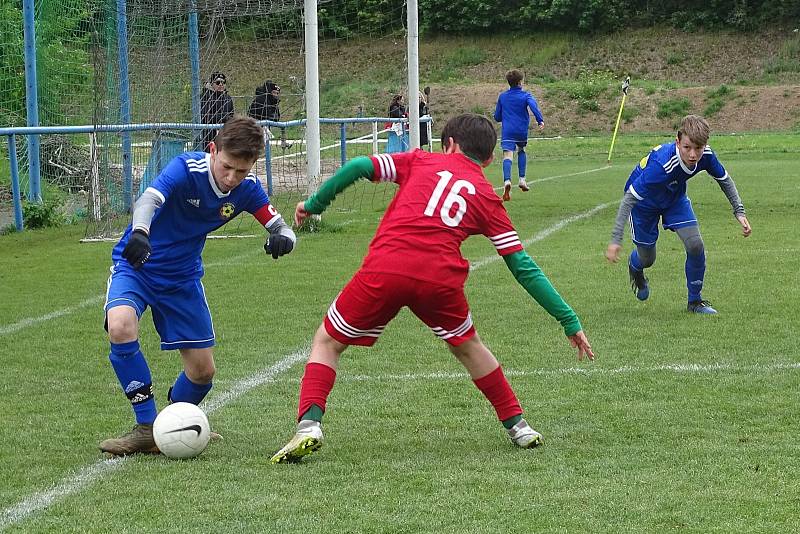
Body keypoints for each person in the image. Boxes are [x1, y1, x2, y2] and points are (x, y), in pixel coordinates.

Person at [270, 113, 593, 464]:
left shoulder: (423, 160)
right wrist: (569, 320)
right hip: (440, 279)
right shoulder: (486, 194)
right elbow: (522, 266)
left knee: (328, 341)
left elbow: (361, 164)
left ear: (449, 145)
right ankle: (519, 427)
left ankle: (309, 426)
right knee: (469, 346)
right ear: (487, 160)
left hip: (387, 267)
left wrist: (313, 204)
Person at [100, 115, 297, 456]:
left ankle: (177, 419)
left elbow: (282, 227)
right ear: (212, 150)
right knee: (120, 326)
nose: (232, 177)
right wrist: (140, 233)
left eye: (242, 171)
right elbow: (149, 200)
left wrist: (283, 239)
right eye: (226, 167)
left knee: (203, 373)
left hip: (182, 278)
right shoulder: (185, 168)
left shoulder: (246, 191)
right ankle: (146, 427)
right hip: (138, 264)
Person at [605, 114, 752, 314]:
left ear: (705, 145)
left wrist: (739, 211)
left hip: (674, 198)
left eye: (698, 148)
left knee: (695, 244)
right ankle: (635, 267)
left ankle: (695, 302)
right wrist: (615, 239)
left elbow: (724, 179)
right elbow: (629, 199)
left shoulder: (706, 155)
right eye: (687, 147)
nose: (693, 155)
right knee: (647, 258)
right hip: (644, 204)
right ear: (677, 141)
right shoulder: (661, 165)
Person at [493, 69, 544, 202]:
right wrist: (540, 120)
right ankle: (522, 179)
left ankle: (507, 181)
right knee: (521, 150)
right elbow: (533, 106)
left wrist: (502, 115)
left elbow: (497, 117)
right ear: (521, 82)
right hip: (521, 130)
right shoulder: (526, 95)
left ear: (509, 82)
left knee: (507, 155)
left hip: (508, 130)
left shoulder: (503, 97)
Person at [198, 71, 235, 152]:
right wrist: (223, 117)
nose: (221, 85)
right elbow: (204, 117)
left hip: (225, 135)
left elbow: (231, 115)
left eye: (223, 82)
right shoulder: (205, 97)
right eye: (218, 82)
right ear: (212, 84)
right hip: (209, 135)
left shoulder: (228, 98)